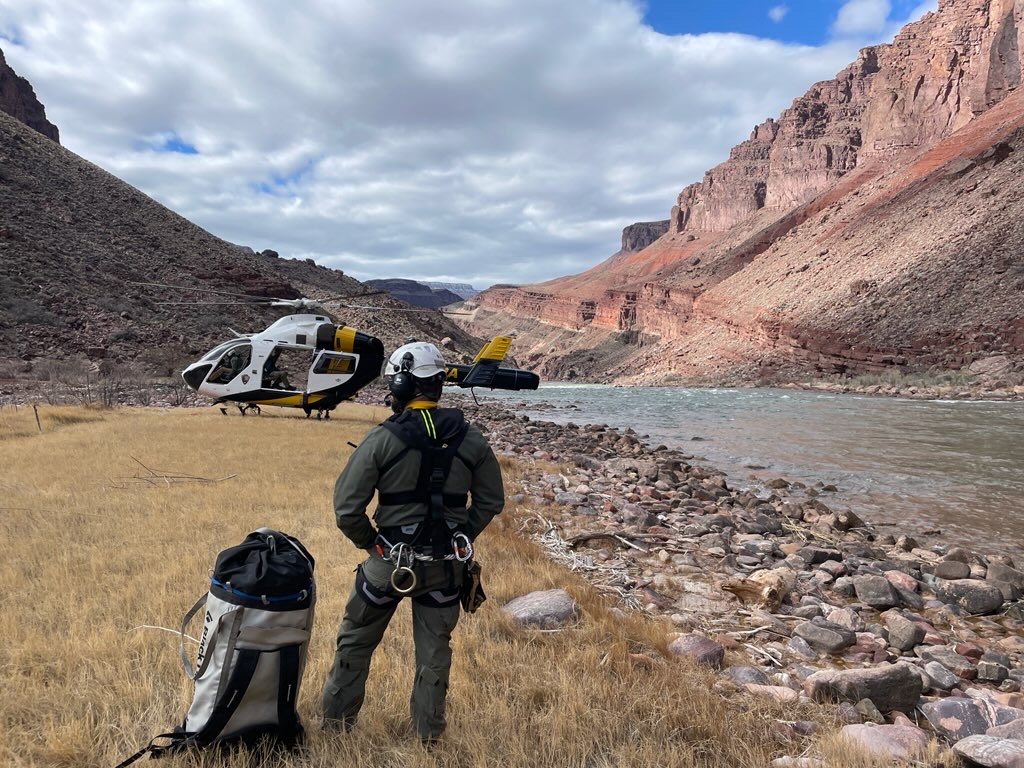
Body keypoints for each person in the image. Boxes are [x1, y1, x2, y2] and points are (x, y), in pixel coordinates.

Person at [321, 341, 504, 743]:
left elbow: (346, 509)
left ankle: (336, 729)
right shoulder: (471, 439)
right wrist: (462, 537)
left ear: (402, 384)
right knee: (435, 656)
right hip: (444, 570)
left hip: (388, 565)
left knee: (354, 643)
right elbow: (491, 500)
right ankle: (427, 738)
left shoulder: (381, 439)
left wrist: (372, 545)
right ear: (439, 384)